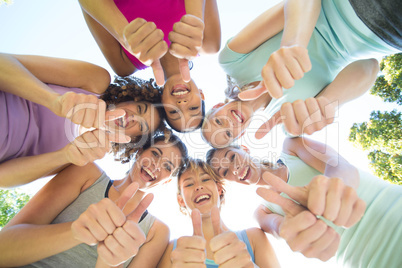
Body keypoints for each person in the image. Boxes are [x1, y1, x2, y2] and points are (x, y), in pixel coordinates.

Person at [201, 0, 401, 148]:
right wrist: (327, 102)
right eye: (228, 134)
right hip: (387, 35)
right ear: (241, 134)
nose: (228, 124)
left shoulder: (232, 61)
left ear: (218, 106)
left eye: (218, 121)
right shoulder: (292, 121)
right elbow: (370, 67)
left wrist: (293, 45)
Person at [206, 137, 402, 267]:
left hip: (394, 209)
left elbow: (338, 165)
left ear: (244, 149)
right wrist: (298, 230)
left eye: (232, 157)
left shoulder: (291, 148)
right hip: (370, 261)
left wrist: (336, 187)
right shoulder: (262, 212)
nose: (234, 168)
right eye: (225, 172)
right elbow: (282, 229)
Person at [0, 133, 188, 267]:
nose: (156, 165)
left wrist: (109, 262)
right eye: (155, 153)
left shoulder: (156, 232)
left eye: (167, 166)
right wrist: (77, 231)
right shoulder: (86, 173)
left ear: (167, 180)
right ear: (139, 153)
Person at [0, 53, 165, 188]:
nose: (133, 119)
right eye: (139, 109)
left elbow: (2, 178)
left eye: (142, 126)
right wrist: (53, 100)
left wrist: (65, 156)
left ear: (133, 139)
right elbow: (4, 62)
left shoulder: (83, 158)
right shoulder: (95, 81)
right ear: (131, 98)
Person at [78, 0, 221, 132]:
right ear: (201, 94)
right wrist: (194, 19)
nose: (182, 103)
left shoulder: (124, 64)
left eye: (173, 111)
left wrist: (122, 34)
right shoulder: (208, 43)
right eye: (193, 108)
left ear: (161, 102)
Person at [157, 158, 280, 267]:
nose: (198, 187)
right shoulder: (173, 251)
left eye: (205, 179)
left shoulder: (254, 238)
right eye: (189, 184)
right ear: (181, 200)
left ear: (219, 189)